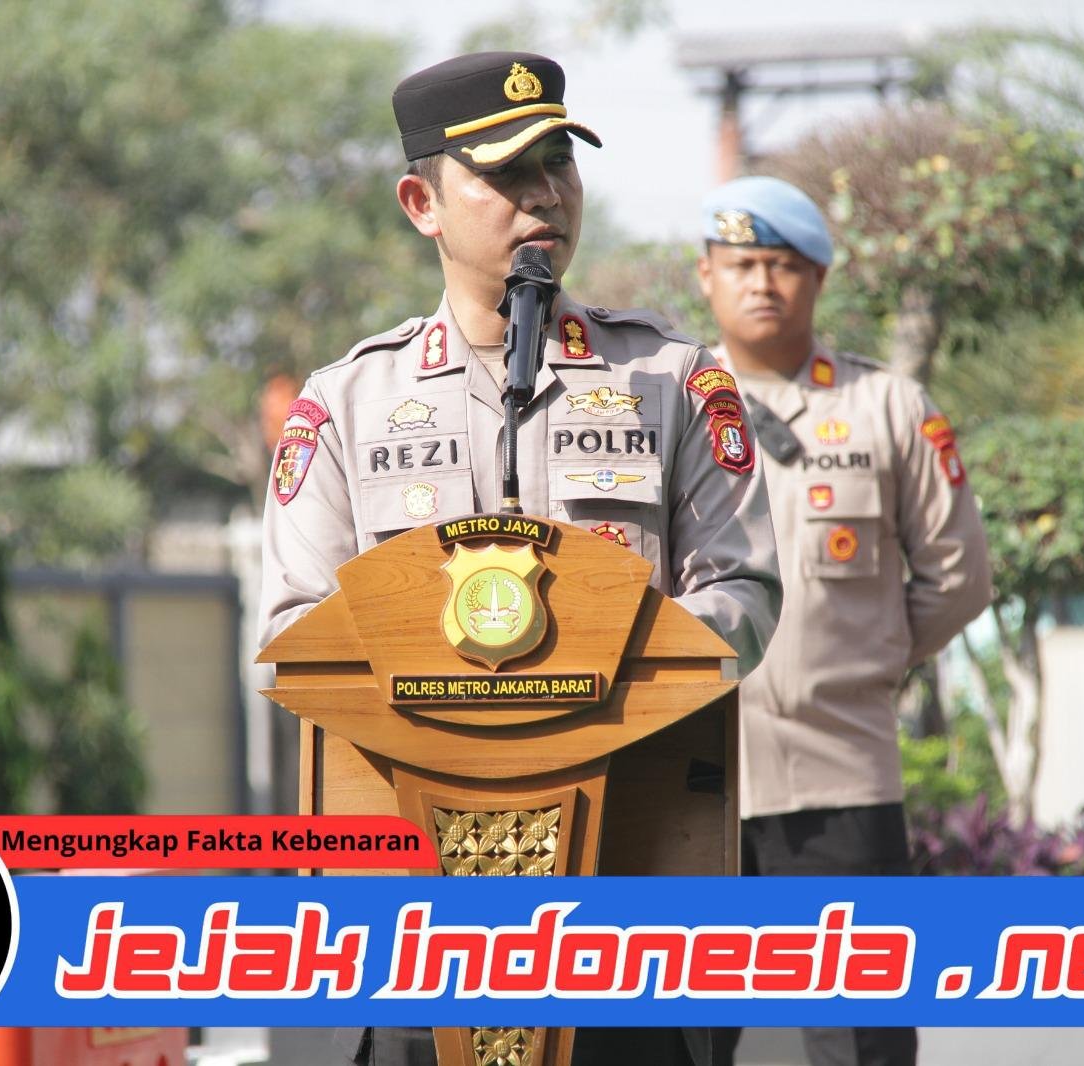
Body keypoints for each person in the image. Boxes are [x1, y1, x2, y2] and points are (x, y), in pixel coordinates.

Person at [259, 52, 783, 1066]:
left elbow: (744, 591)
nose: (544, 193)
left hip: (627, 903)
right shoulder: (346, 404)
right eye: (505, 172)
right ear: (421, 203)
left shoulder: (672, 380)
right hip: (420, 916)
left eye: (558, 163)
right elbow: (293, 633)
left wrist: (604, 675)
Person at [696, 176, 993, 1066]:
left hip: (840, 775)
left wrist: (868, 665)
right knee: (676, 1041)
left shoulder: (889, 407)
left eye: (784, 264)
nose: (762, 282)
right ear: (706, 275)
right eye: (742, 263)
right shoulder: (664, 403)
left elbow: (959, 578)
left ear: (819, 278)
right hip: (689, 777)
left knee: (861, 1040)